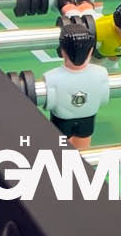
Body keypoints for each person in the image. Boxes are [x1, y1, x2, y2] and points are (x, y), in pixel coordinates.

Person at [42, 21, 109, 151]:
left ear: (62, 51)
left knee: (59, 153)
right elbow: (103, 99)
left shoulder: (51, 77)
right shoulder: (101, 74)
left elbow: (49, 104)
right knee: (82, 153)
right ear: (91, 51)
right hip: (88, 119)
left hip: (61, 121)